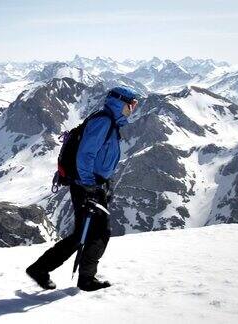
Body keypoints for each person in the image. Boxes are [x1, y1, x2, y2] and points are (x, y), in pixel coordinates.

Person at [26, 86, 139, 291]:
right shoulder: (104, 122)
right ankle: (85, 279)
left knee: (83, 234)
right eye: (131, 104)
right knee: (100, 232)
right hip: (87, 185)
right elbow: (86, 155)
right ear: (120, 103)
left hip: (92, 183)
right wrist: (89, 185)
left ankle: (41, 269)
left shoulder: (110, 122)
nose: (133, 108)